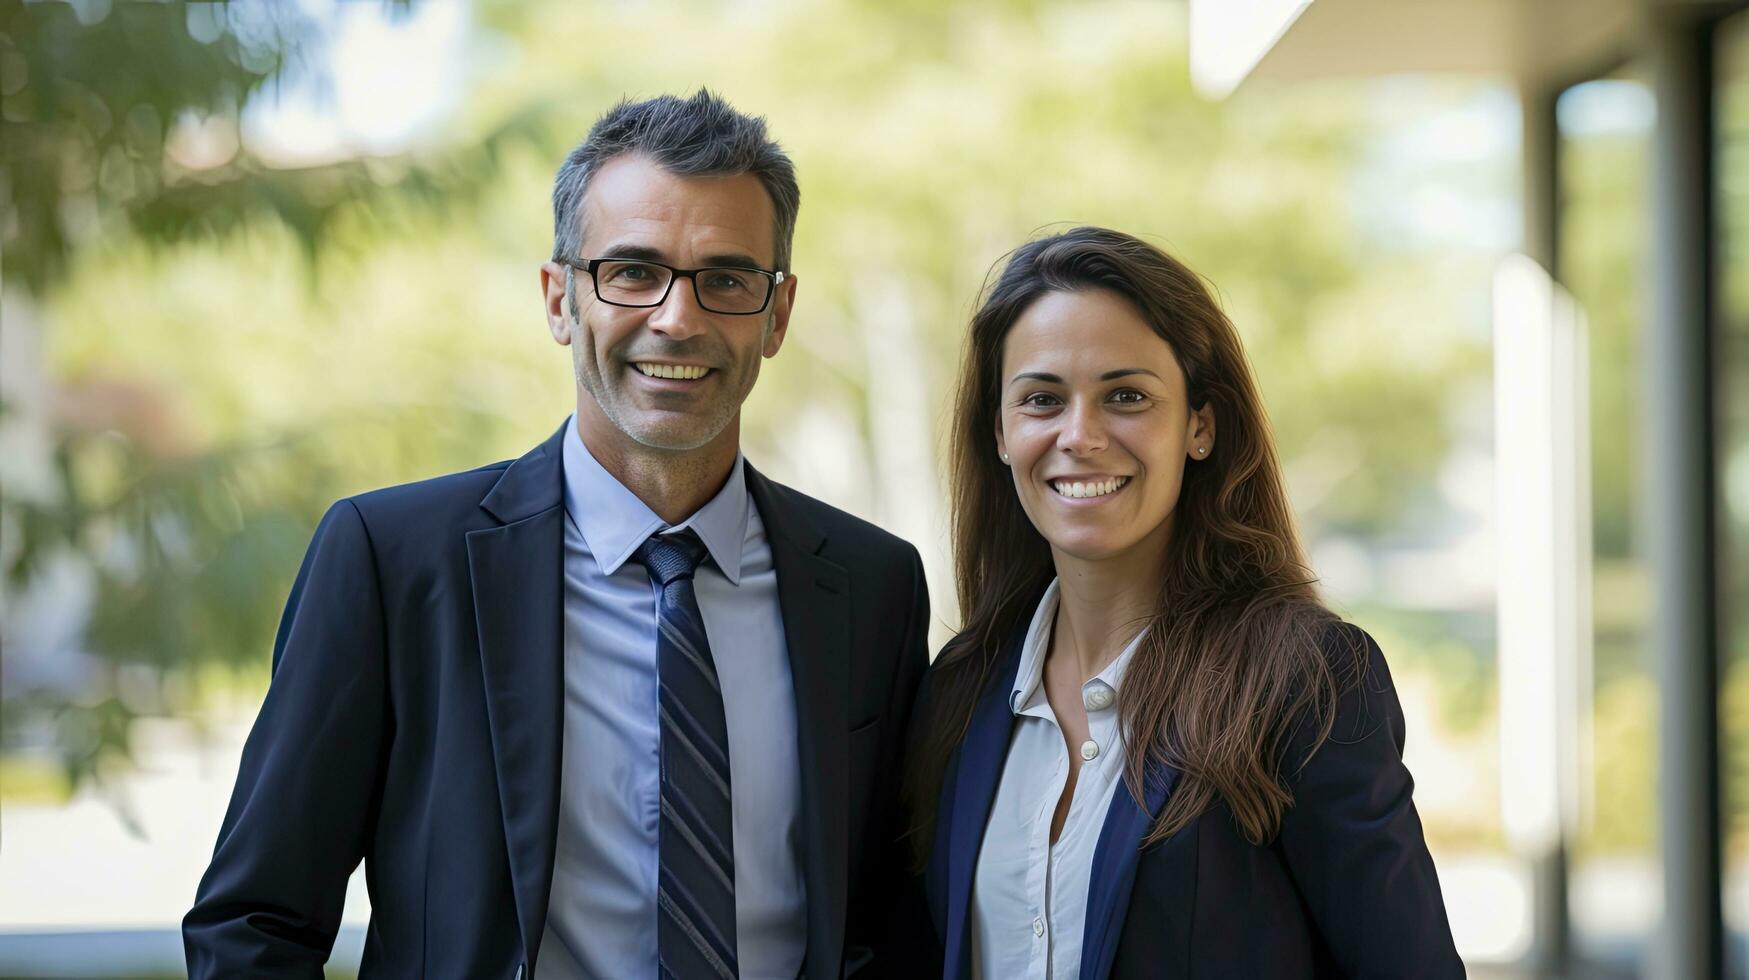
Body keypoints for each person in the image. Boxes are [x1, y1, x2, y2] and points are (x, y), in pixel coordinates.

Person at [184, 90, 931, 980]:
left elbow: (892, 922)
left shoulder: (869, 584)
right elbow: (254, 922)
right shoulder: (391, 561)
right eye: (631, 271)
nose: (677, 319)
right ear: (558, 299)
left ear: (776, 315)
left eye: (726, 279)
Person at [904, 226, 1463, 979]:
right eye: (1041, 399)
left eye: (1125, 396)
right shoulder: (960, 689)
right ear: (999, 432)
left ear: (1199, 424)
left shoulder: (1303, 678)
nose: (1080, 435)